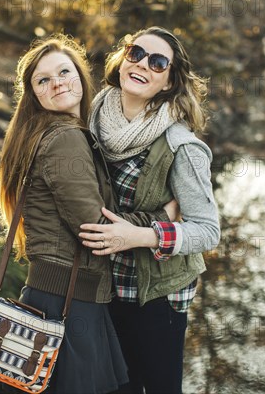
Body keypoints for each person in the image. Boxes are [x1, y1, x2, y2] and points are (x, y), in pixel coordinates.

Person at [0, 34, 177, 394]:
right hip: (68, 301)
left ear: (80, 75)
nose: (57, 82)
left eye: (64, 71)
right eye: (43, 80)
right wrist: (162, 217)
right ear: (34, 94)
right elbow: (98, 229)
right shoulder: (65, 139)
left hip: (60, 294)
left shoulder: (55, 132)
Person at [78, 27, 221, 394]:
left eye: (158, 63)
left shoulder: (180, 145)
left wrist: (141, 235)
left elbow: (207, 230)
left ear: (170, 81)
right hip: (101, 286)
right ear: (123, 58)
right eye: (136, 53)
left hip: (158, 295)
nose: (143, 64)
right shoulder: (91, 116)